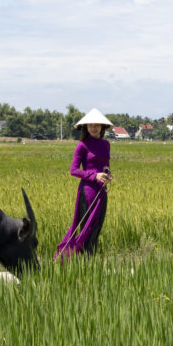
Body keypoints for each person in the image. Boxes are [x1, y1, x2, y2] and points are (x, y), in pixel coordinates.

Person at [55, 108, 113, 260]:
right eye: (90, 125)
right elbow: (73, 170)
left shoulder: (106, 144)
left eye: (97, 125)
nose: (94, 128)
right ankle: (81, 261)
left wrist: (107, 175)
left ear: (102, 127)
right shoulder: (82, 145)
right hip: (88, 192)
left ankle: (91, 261)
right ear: (86, 127)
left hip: (102, 191)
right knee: (86, 228)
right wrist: (94, 176)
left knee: (96, 228)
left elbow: (104, 166)